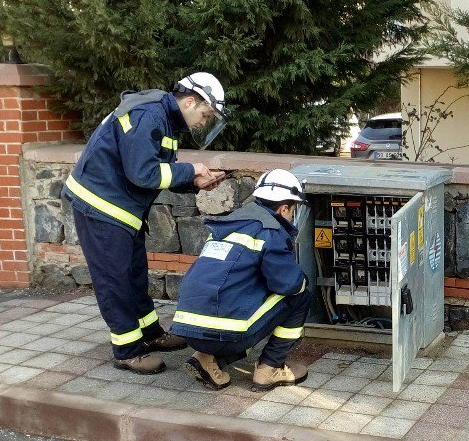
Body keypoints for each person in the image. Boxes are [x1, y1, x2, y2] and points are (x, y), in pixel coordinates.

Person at [63, 72, 229, 375]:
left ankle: (150, 335)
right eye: (205, 114)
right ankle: (127, 351)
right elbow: (143, 173)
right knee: (115, 281)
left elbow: (159, 170)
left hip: (120, 209)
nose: (204, 122)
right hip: (101, 208)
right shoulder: (148, 115)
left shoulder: (164, 118)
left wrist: (195, 181)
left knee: (135, 274)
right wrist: (191, 169)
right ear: (190, 100)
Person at [170, 169, 311, 392]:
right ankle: (270, 368)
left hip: (188, 329)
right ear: (284, 208)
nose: (292, 216)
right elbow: (288, 284)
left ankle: (207, 359)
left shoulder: (227, 225)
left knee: (241, 306)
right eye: (292, 210)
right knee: (300, 294)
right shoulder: (270, 231)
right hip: (224, 332)